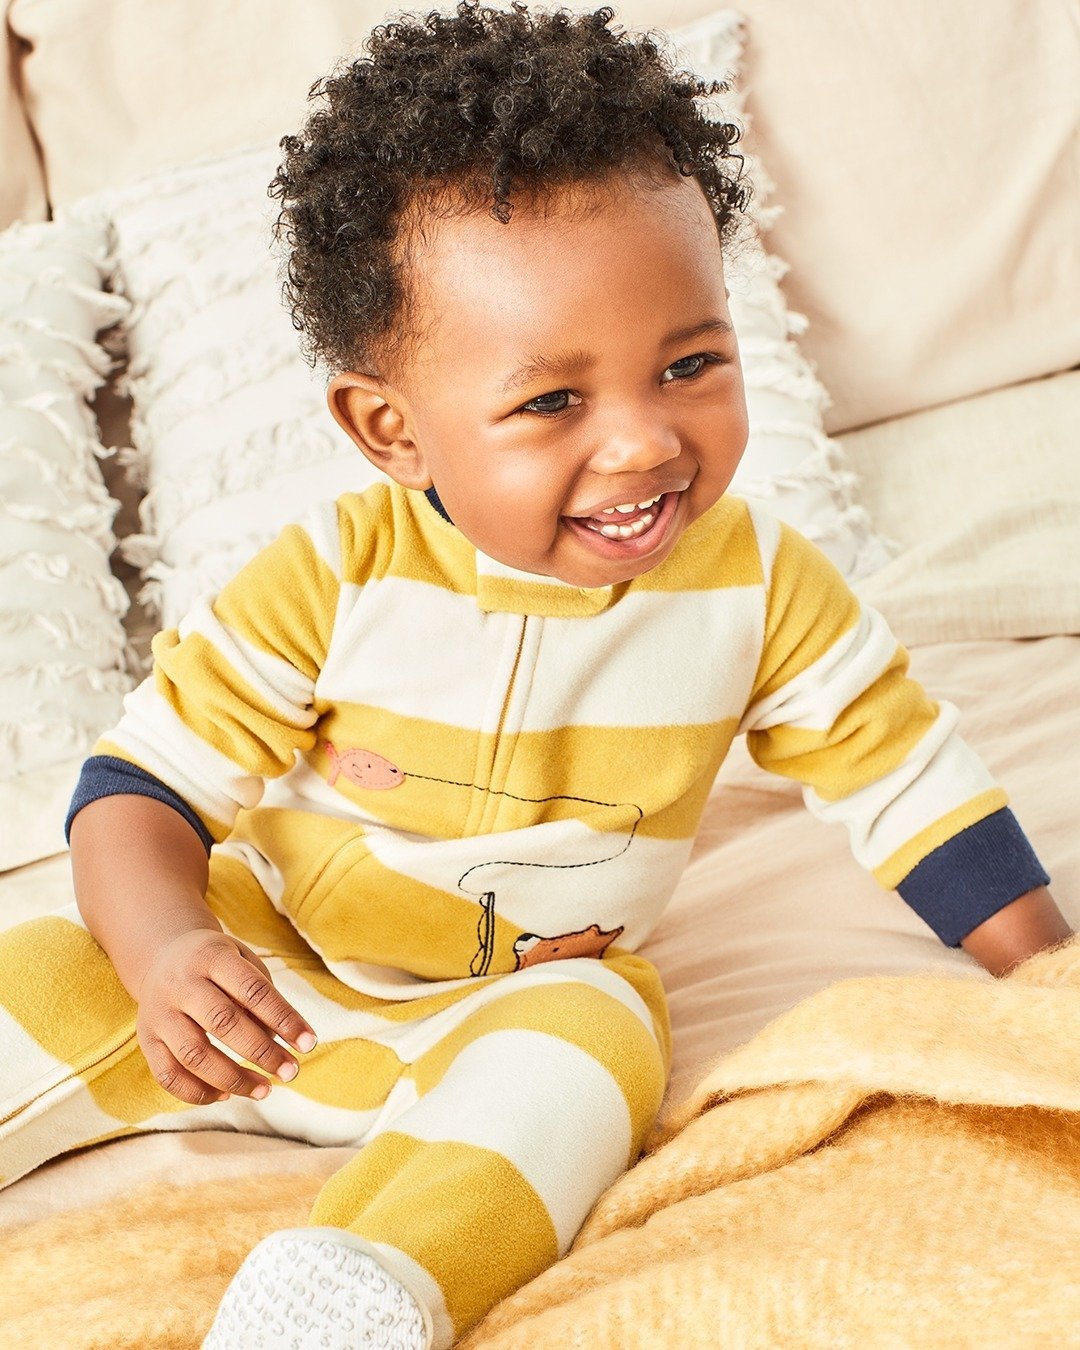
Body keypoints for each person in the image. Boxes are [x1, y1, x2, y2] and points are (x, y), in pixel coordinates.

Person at [0, 5, 1072, 1347]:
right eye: (552, 402)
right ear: (391, 427)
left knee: (602, 1049)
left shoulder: (758, 586)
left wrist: (1047, 986)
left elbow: (910, 778)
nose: (641, 445)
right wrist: (167, 953)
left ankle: (346, 1291)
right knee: (40, 965)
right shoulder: (332, 573)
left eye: (689, 365)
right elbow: (135, 788)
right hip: (261, 977)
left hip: (510, 1011)